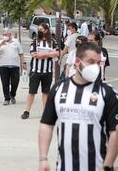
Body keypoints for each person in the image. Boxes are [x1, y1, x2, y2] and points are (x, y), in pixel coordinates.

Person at [38, 42, 118, 171]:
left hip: (97, 166)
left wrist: (107, 165)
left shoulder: (107, 92)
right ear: (77, 61)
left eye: (98, 63)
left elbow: (115, 131)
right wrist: (43, 158)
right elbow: (46, 124)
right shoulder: (59, 88)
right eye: (90, 61)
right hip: (64, 166)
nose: (95, 67)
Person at [21, 23, 59, 119]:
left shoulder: (52, 42)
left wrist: (42, 54)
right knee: (32, 92)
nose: (39, 31)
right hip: (35, 71)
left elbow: (57, 53)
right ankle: (26, 111)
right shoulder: (35, 41)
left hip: (48, 71)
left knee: (45, 92)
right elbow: (34, 54)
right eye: (39, 29)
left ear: (46, 30)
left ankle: (45, 112)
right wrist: (48, 54)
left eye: (41, 29)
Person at [0, 29, 26, 105]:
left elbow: (21, 53)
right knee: (5, 83)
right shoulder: (0, 42)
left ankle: (12, 95)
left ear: (10, 35)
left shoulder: (16, 42)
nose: (5, 36)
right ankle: (7, 98)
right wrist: (1, 43)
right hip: (3, 66)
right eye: (3, 34)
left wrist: (23, 63)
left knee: (15, 82)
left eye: (6, 34)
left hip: (15, 66)